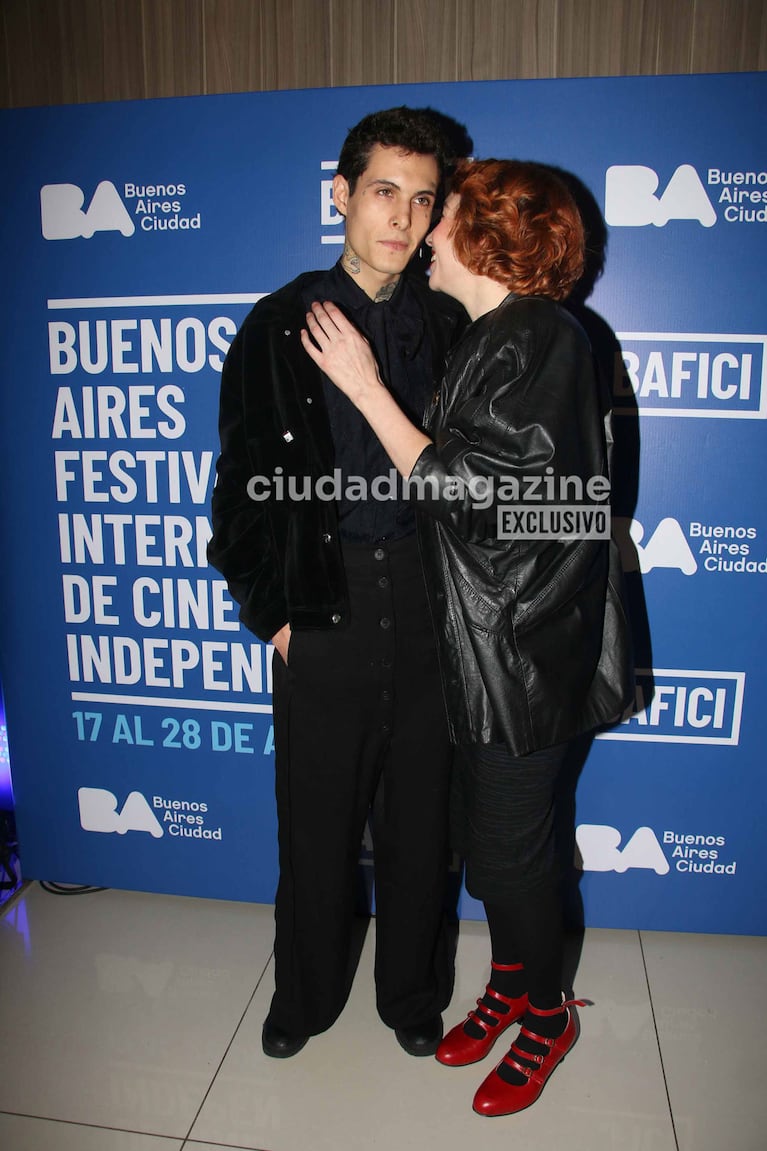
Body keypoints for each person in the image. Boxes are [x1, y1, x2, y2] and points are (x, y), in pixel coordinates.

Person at [301, 159, 634, 1114]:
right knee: (493, 853)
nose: (422, 229)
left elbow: (483, 498)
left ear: (485, 232)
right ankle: (508, 986)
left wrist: (367, 391)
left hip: (523, 660)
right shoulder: (508, 337)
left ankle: (546, 1015)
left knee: (510, 862)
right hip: (498, 648)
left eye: (440, 212)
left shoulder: (535, 337)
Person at [207, 107, 469, 1060]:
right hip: (323, 601)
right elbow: (237, 491)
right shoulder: (279, 323)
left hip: (433, 605)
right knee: (314, 829)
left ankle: (410, 993)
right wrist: (271, 613)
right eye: (383, 191)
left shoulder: (451, 324)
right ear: (341, 196)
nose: (401, 216)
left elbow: (473, 482)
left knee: (420, 822)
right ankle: (305, 997)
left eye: (420, 197)